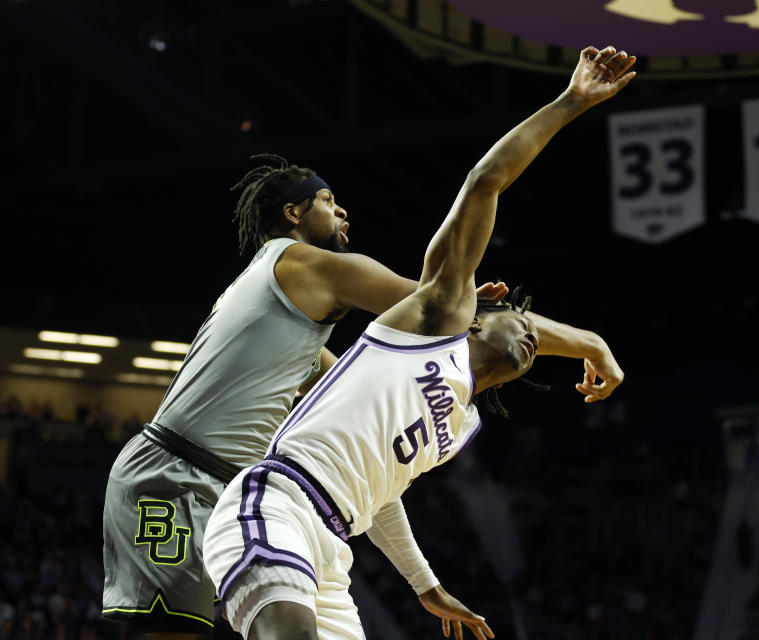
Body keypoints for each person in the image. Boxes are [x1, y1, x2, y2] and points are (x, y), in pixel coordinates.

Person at [102, 65, 625, 640]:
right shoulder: (298, 261)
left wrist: (424, 584)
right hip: (188, 473)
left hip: (305, 523)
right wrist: (579, 338)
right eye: (329, 201)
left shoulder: (328, 355)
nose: (345, 212)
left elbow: (369, 477)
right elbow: (454, 251)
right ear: (294, 213)